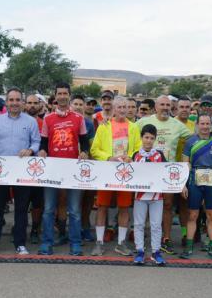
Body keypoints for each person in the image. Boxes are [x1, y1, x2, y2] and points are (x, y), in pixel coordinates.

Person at [0, 88, 40, 254]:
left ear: (22, 103)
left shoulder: (31, 122)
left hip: (22, 170)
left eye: (17, 100)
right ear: (6, 102)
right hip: (0, 171)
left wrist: (30, 150)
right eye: (11, 100)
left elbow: (36, 142)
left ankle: (20, 243)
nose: (14, 103)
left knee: (21, 209)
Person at [38, 82, 89, 256]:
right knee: (48, 209)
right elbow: (43, 142)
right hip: (52, 169)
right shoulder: (48, 118)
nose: (62, 96)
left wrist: (85, 152)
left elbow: (85, 142)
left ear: (69, 95)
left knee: (74, 210)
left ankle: (75, 244)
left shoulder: (78, 118)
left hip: (72, 170)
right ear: (55, 96)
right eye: (59, 93)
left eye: (65, 93)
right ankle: (47, 242)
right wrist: (43, 150)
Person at [137, 95, 193, 254]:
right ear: (155, 106)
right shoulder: (143, 122)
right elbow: (130, 131)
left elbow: (194, 137)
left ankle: (165, 238)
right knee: (144, 204)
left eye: (168, 105)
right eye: (162, 104)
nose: (165, 108)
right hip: (147, 170)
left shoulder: (176, 124)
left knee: (167, 205)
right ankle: (141, 238)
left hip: (167, 171)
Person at [90, 96, 141, 256]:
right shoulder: (104, 126)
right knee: (102, 207)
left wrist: (131, 156)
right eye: (119, 107)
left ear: (129, 109)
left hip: (125, 173)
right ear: (113, 108)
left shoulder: (134, 127)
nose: (122, 110)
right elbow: (94, 149)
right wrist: (108, 157)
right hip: (107, 172)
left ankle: (121, 243)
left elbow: (138, 148)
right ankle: (99, 243)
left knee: (124, 207)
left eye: (125, 107)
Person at [180, 114, 212, 260]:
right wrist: (183, 184)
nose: (205, 126)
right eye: (202, 123)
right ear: (197, 125)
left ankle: (211, 247)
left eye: (207, 124)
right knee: (193, 215)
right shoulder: (190, 141)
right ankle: (189, 247)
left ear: (211, 125)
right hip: (194, 181)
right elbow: (185, 164)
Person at [132, 124, 166, 266]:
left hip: (156, 197)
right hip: (140, 196)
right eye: (146, 137)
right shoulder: (135, 155)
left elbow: (167, 171)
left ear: (155, 139)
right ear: (141, 138)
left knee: (156, 225)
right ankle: (139, 251)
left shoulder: (159, 155)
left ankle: (155, 252)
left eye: (152, 138)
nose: (148, 141)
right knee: (139, 224)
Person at [71, 94, 96, 242]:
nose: (79, 107)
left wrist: (87, 154)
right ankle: (67, 229)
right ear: (70, 105)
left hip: (85, 164)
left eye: (81, 104)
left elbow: (92, 145)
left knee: (87, 199)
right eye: (76, 104)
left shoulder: (89, 124)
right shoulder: (63, 120)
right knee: (69, 201)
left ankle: (85, 227)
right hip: (68, 164)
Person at [174, 96, 196, 247]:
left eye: (187, 107)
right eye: (181, 107)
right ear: (176, 108)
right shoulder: (170, 123)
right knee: (165, 205)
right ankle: (163, 236)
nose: (184, 110)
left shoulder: (194, 125)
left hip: (188, 169)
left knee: (185, 203)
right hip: (169, 168)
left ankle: (184, 234)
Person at [25, 94, 46, 243]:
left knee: (37, 202)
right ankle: (20, 226)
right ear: (25, 105)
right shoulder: (19, 121)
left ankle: (35, 229)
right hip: (20, 166)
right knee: (21, 201)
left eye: (35, 103)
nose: (32, 105)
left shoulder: (45, 123)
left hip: (38, 168)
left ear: (39, 105)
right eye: (29, 103)